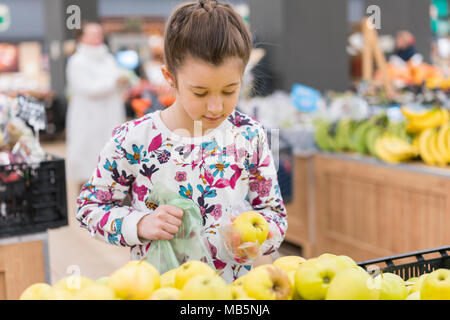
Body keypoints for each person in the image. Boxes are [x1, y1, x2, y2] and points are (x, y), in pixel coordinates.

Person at [75, 0, 287, 283]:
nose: (215, 107)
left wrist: (257, 238)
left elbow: (274, 215)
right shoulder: (133, 139)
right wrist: (139, 223)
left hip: (232, 293)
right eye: (200, 92)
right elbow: (89, 208)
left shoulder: (249, 135)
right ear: (170, 78)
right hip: (159, 290)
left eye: (229, 90)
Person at [65, 22, 127, 187]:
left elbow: (117, 80)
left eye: (99, 34)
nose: (97, 38)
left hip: (110, 116)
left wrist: (122, 81)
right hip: (87, 120)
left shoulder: (108, 58)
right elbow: (88, 89)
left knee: (113, 161)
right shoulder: (77, 62)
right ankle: (86, 207)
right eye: (92, 34)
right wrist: (114, 82)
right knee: (87, 166)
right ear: (81, 37)